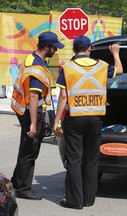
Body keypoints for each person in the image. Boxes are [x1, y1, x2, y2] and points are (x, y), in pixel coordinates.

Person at [53, 35, 123, 209]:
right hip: (95, 118)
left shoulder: (67, 67)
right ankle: (89, 199)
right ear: (90, 48)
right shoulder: (101, 66)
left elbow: (63, 96)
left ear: (74, 50)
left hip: (75, 119)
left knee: (74, 160)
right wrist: (115, 53)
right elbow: (120, 70)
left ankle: (74, 201)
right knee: (91, 160)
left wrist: (56, 121)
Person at [10, 31, 64, 200]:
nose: (56, 50)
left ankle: (16, 182)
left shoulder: (32, 58)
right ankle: (23, 189)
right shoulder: (36, 68)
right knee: (30, 151)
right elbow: (34, 96)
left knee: (25, 148)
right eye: (54, 47)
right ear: (46, 47)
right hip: (30, 111)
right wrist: (33, 123)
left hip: (22, 109)